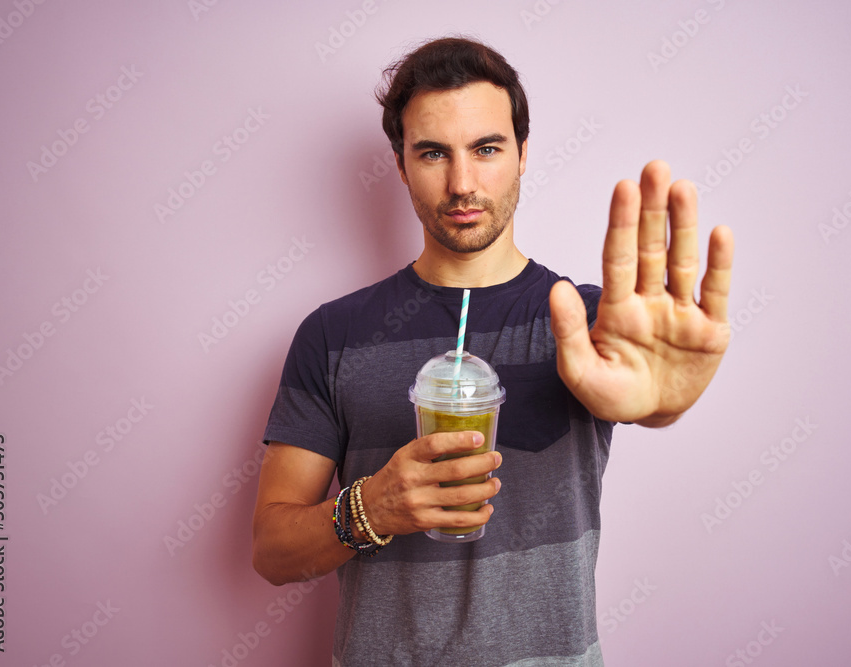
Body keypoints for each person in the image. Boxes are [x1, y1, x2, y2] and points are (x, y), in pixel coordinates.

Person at [252, 36, 734, 666]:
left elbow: (644, 398)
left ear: (523, 154)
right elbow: (272, 552)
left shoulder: (590, 324)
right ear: (399, 164)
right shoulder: (332, 334)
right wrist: (372, 508)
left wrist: (661, 406)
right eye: (432, 153)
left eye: (486, 149)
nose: (462, 183)